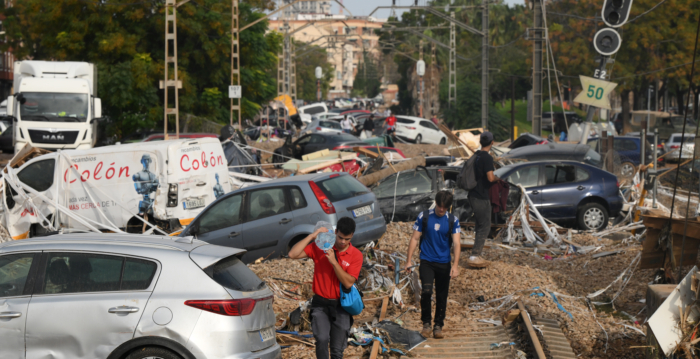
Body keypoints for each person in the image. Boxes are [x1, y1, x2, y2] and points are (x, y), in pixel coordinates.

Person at [288, 218, 363, 359]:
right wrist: (312, 236)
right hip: (320, 304)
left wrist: (334, 262)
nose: (342, 242)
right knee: (321, 339)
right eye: (340, 237)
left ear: (352, 235)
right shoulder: (321, 246)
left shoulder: (356, 255)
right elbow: (293, 254)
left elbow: (348, 283)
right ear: (335, 232)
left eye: (347, 239)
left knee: (337, 350)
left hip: (341, 305)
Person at [404, 191, 461, 339]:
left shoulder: (452, 220)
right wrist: (408, 261)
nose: (441, 209)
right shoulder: (425, 217)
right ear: (435, 203)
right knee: (427, 291)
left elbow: (456, 243)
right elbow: (415, 239)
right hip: (427, 260)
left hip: (444, 263)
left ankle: (438, 326)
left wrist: (455, 265)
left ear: (449, 207)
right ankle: (426, 324)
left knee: (442, 295)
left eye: (445, 207)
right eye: (439, 206)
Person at [467, 131, 499, 269]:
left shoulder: (476, 156)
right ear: (492, 142)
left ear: (480, 142)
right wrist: (498, 178)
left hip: (472, 195)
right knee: (485, 226)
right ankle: (475, 256)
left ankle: (476, 254)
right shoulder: (487, 158)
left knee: (480, 225)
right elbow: (491, 178)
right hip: (481, 196)